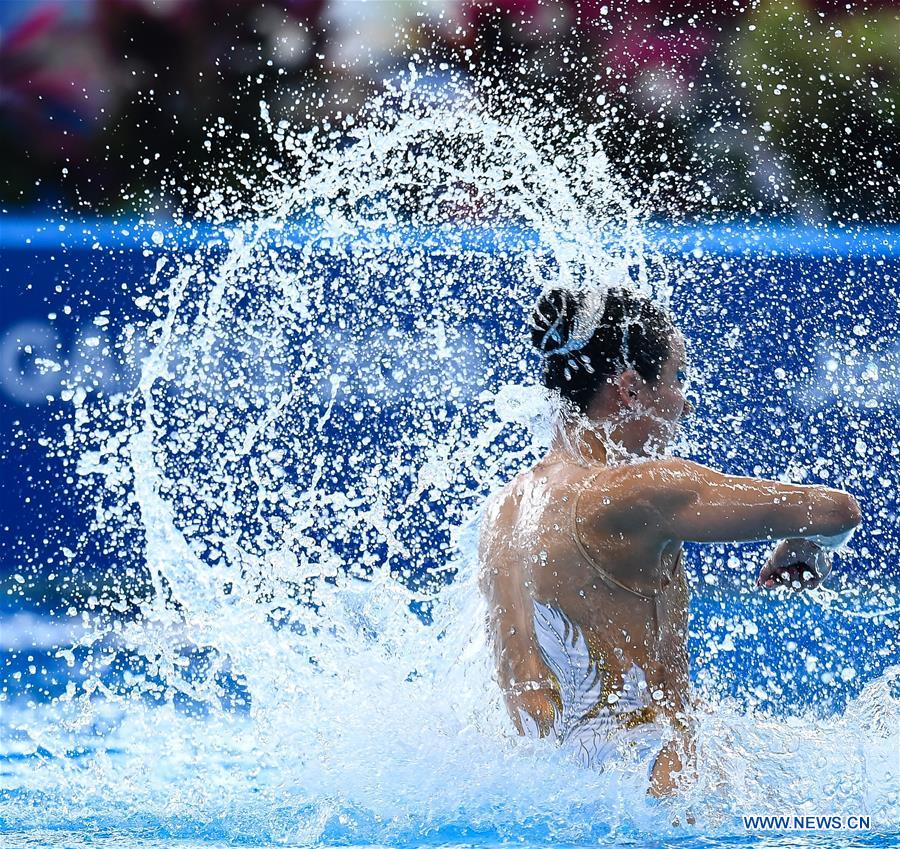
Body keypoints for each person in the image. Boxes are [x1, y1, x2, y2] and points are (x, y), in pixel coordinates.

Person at [477, 286, 861, 797]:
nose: (685, 401)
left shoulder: (505, 510)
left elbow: (535, 704)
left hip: (550, 794)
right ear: (631, 389)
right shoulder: (634, 492)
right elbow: (836, 510)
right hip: (652, 794)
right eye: (677, 378)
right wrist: (810, 543)